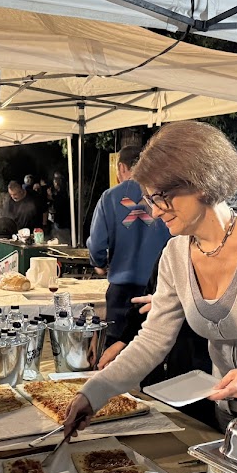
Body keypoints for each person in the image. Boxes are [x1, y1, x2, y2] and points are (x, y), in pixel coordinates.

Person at [62, 121, 237, 437]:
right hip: (234, 412)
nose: (155, 212)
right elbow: (153, 339)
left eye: (161, 197)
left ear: (202, 182)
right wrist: (94, 392)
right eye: (150, 200)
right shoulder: (174, 255)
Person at [98, 251, 216, 426]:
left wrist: (179, 306)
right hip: (161, 374)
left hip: (202, 372)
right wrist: (124, 340)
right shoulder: (173, 249)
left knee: (198, 427)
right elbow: (147, 300)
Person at [87, 145, 172, 343]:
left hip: (121, 292)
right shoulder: (164, 195)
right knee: (155, 346)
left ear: (122, 167)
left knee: (116, 348)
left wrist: (99, 263)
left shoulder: (110, 197)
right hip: (160, 289)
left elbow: (97, 243)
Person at [49, 171, 72, 242]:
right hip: (59, 223)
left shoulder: (63, 193)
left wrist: (51, 197)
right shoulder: (60, 192)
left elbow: (60, 204)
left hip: (62, 224)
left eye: (56, 179)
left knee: (62, 242)